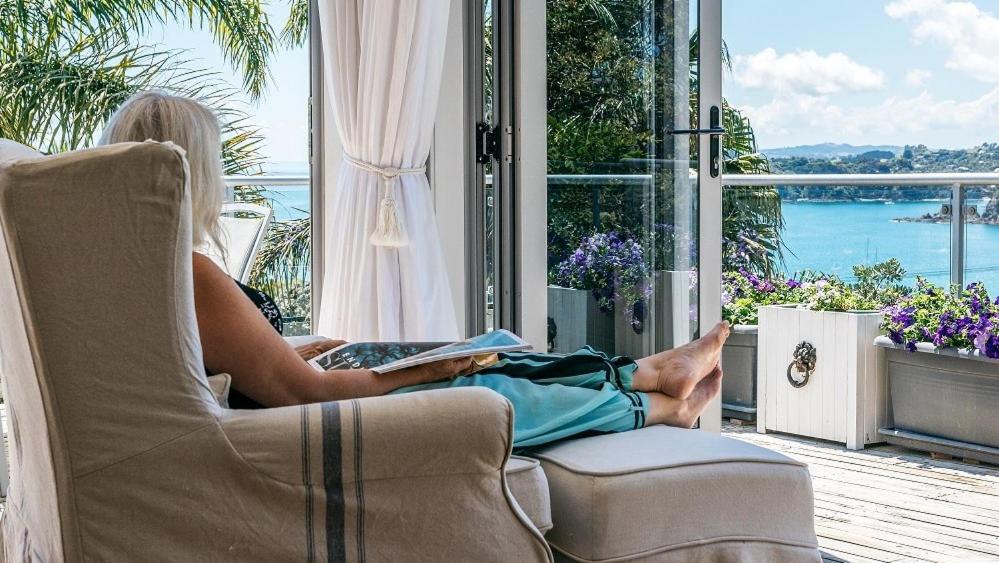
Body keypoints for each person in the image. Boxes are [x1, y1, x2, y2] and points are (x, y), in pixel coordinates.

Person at [100, 91, 728, 448]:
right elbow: (304, 394)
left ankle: (641, 370)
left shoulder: (133, 266)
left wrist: (290, 349)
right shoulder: (185, 272)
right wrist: (420, 372)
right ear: (191, 172)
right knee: (488, 388)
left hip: (288, 396)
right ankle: (655, 408)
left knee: (489, 346)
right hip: (306, 417)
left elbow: (243, 366)